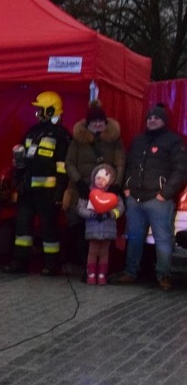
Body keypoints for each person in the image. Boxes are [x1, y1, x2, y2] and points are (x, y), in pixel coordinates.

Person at [111, 104, 187, 291]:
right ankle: (130, 272)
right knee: (134, 237)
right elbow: (128, 164)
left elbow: (181, 169)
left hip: (158, 200)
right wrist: (127, 188)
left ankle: (163, 276)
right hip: (135, 198)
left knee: (163, 239)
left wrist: (165, 194)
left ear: (164, 120)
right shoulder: (138, 140)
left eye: (156, 118)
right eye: (149, 118)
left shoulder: (173, 141)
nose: (152, 120)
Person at [4, 91, 71, 276]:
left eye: (39, 109)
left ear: (50, 110)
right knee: (22, 227)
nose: (37, 113)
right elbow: (22, 159)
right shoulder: (32, 132)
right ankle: (19, 262)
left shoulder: (62, 135)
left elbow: (63, 167)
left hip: (48, 193)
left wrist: (59, 192)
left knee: (48, 228)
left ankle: (51, 264)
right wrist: (18, 163)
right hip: (27, 189)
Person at [64, 101, 125, 270]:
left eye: (101, 120)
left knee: (104, 230)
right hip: (81, 190)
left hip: (106, 192)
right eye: (94, 121)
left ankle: (104, 269)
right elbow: (69, 163)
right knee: (80, 228)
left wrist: (116, 185)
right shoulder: (77, 140)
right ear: (88, 123)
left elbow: (120, 162)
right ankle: (87, 267)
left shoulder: (114, 140)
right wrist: (79, 183)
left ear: (105, 122)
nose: (98, 124)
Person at [76, 163, 124, 285]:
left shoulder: (114, 195)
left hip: (108, 229)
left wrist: (111, 214)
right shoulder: (89, 193)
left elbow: (121, 208)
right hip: (92, 228)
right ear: (94, 178)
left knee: (104, 252)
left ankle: (102, 274)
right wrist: (91, 214)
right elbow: (80, 209)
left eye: (104, 179)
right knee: (92, 251)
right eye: (98, 178)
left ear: (110, 181)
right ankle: (91, 274)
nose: (100, 181)